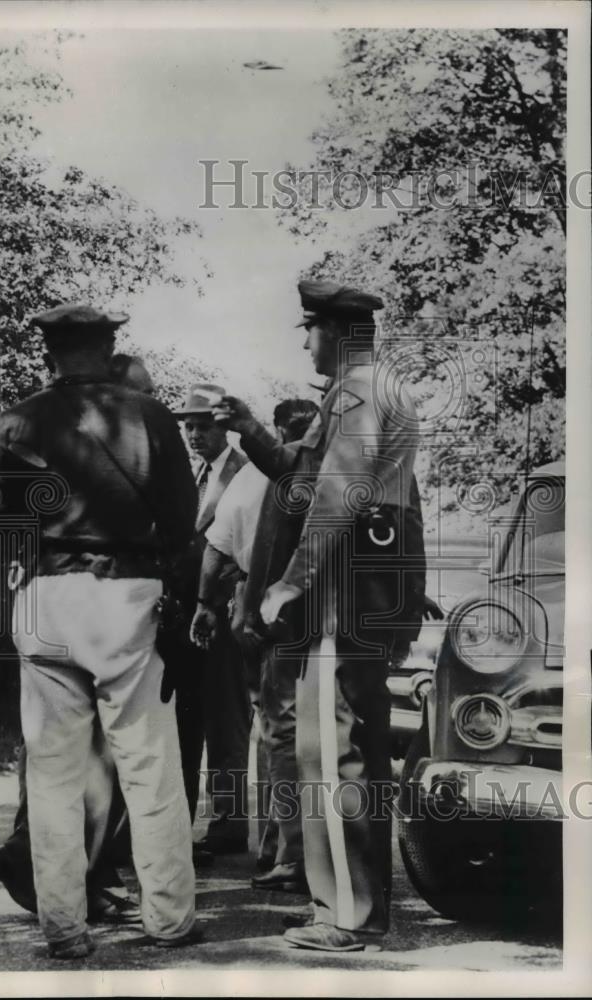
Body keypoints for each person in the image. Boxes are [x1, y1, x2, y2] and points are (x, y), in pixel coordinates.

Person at [0, 305, 199, 958]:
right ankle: (170, 920)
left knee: (54, 774)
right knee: (149, 766)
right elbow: (183, 523)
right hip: (126, 592)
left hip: (45, 595)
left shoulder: (18, 418)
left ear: (50, 352)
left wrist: (22, 546)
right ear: (110, 347)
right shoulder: (149, 417)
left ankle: (63, 929)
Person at [214, 280, 426, 953]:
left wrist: (288, 583)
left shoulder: (360, 392)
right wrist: (251, 431)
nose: (305, 341)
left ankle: (347, 916)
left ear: (335, 331)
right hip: (360, 595)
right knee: (341, 750)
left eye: (309, 329)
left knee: (331, 755)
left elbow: (333, 500)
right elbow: (305, 482)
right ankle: (349, 906)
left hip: (344, 596)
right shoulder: (362, 391)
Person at [0, 351, 157, 923]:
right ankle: (43, 868)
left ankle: (63, 872)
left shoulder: (39, 439)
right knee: (87, 758)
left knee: (64, 757)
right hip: (70, 606)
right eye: (136, 399)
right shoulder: (91, 459)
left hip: (41, 604)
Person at [189, 399, 319, 890]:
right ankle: (283, 847)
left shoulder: (252, 476)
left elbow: (217, 549)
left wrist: (210, 602)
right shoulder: (309, 474)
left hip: (266, 605)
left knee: (275, 729)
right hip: (284, 607)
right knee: (286, 729)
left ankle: (282, 849)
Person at [168, 384, 252, 858]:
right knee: (187, 716)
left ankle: (228, 825)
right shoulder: (190, 474)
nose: (194, 434)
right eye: (189, 426)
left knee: (226, 718)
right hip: (189, 611)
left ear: (224, 427)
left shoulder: (246, 471)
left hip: (226, 610)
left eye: (203, 426)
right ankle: (181, 821)